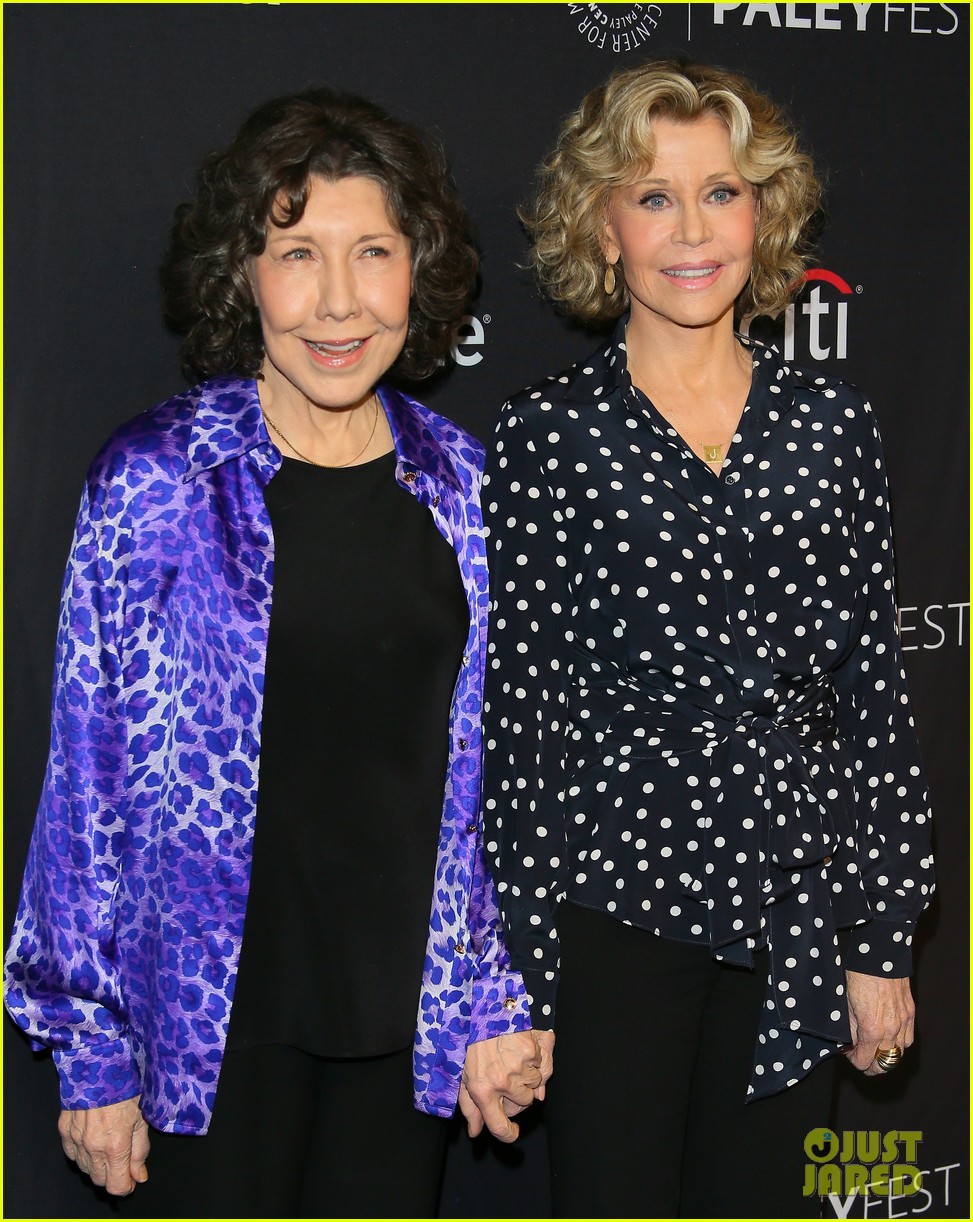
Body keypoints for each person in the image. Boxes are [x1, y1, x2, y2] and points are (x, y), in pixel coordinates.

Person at [3, 87, 550, 1219]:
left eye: (372, 252)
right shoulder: (158, 480)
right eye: (297, 253)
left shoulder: (466, 489)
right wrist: (92, 1047)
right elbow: (87, 782)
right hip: (207, 1040)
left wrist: (494, 997)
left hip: (403, 1031)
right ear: (241, 274)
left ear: (419, 268)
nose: (338, 300)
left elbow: (501, 784)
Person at [480, 60, 933, 1218]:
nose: (692, 230)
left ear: (762, 213)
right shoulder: (548, 438)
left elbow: (871, 692)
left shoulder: (833, 427)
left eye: (720, 193)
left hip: (793, 904)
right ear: (602, 225)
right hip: (613, 912)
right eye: (653, 196)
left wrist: (879, 937)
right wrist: (516, 974)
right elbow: (523, 719)